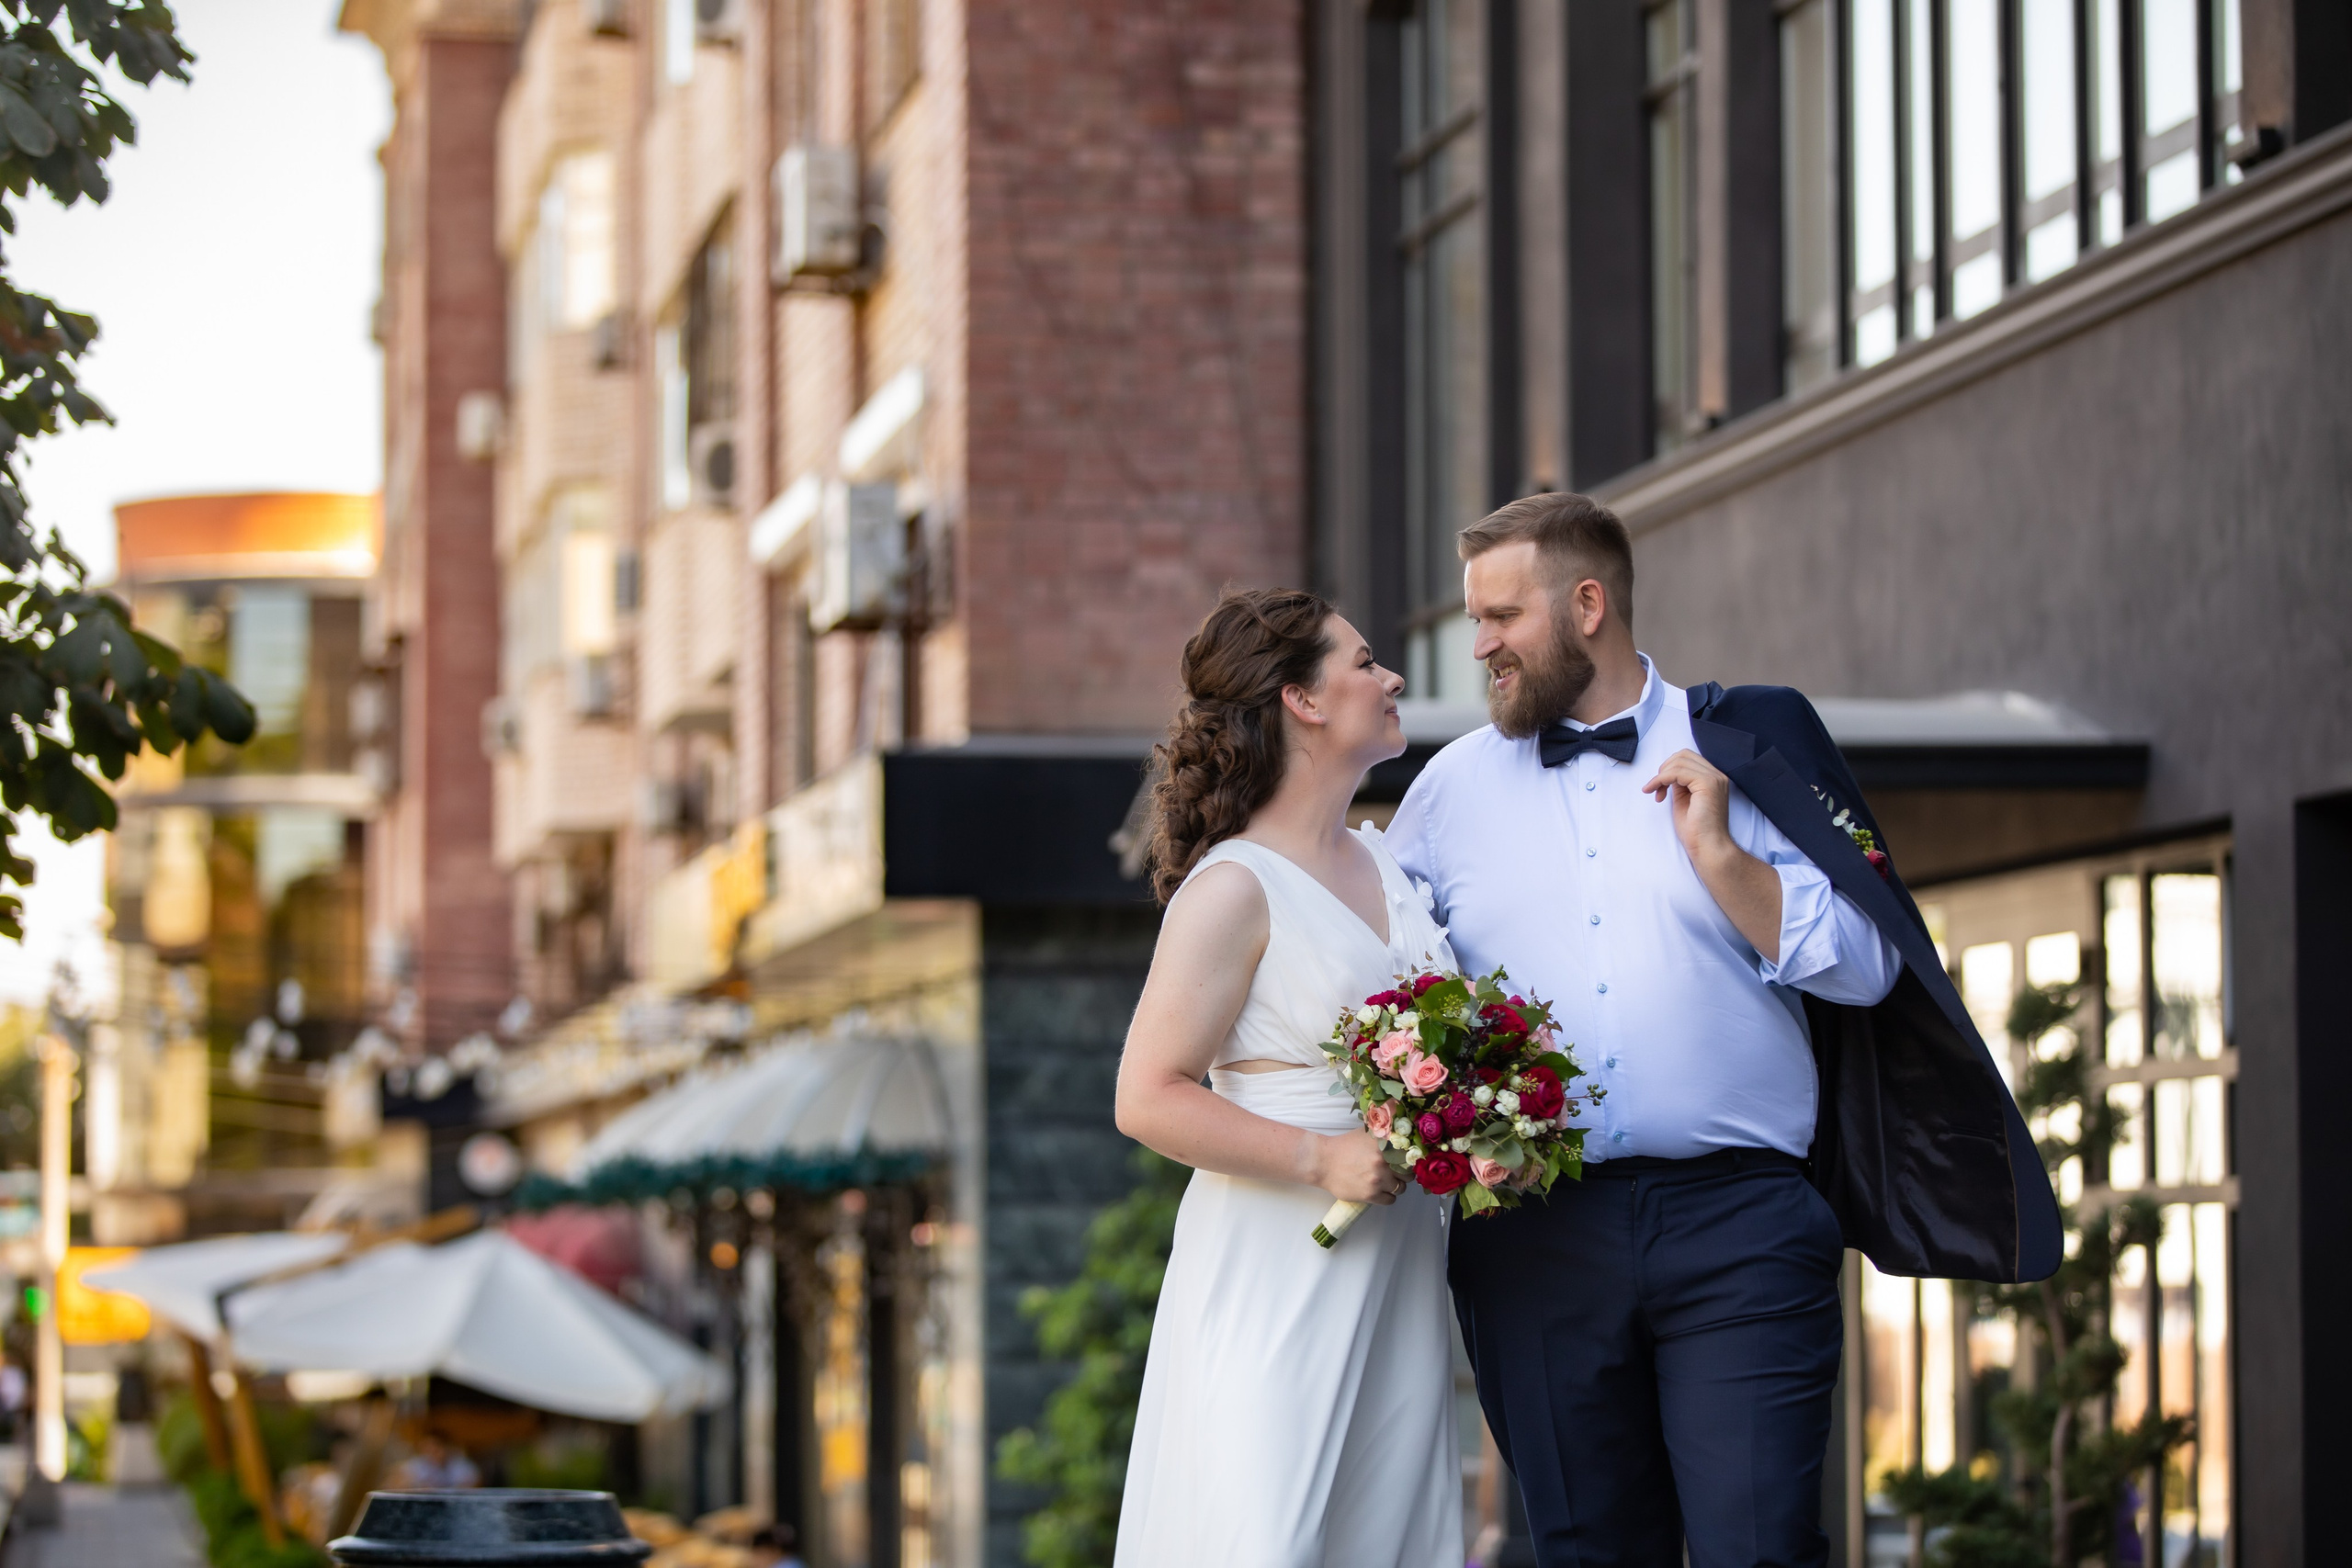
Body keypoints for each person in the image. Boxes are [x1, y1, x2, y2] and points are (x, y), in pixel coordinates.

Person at [1387, 491, 2060, 1568]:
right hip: (1534, 1235)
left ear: (1588, 605)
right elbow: (1382, 976)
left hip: (1739, 1225)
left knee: (1761, 1546)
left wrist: (1722, 863)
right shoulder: (1446, 793)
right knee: (1587, 1550)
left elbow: (1870, 963)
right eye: (1475, 620)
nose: (1481, 646)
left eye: (1502, 617)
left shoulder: (1751, 749)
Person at [1113, 588, 1463, 1567]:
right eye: (1361, 661)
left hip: (1395, 1279)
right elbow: (1145, 1095)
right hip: (1278, 1277)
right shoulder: (1233, 889)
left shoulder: (1387, 864)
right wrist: (1319, 1157)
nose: (1390, 677)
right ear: (1301, 701)